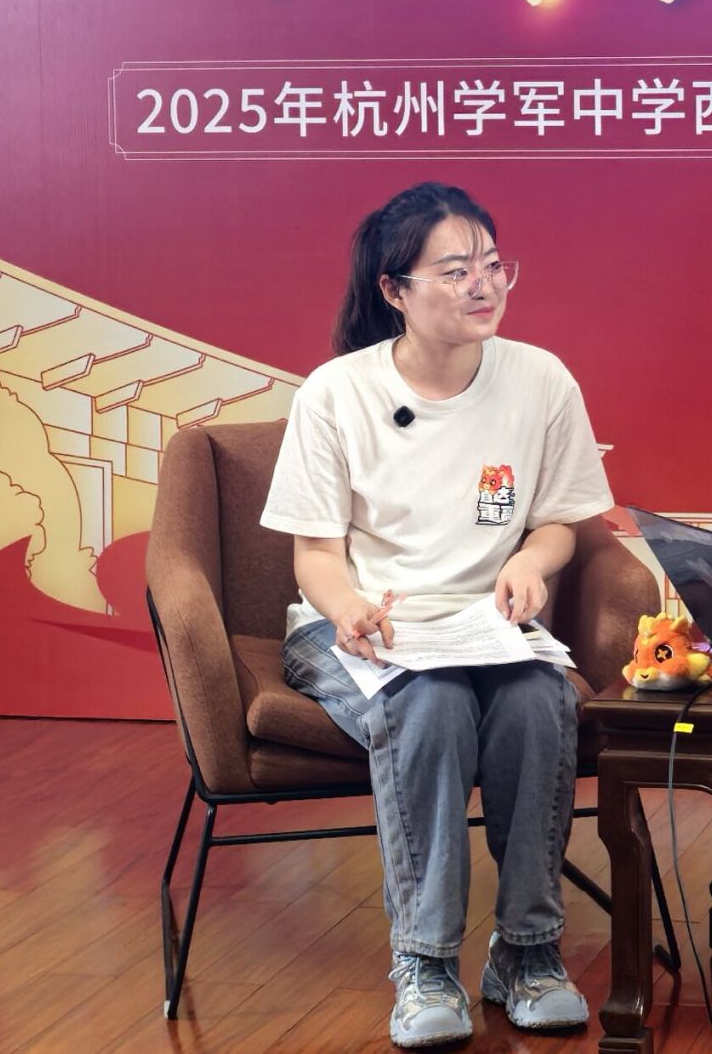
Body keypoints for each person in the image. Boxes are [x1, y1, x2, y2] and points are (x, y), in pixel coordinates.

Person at [262, 182, 615, 1047]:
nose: (482, 286)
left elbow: (559, 523)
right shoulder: (337, 393)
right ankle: (423, 965)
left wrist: (531, 561)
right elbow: (315, 557)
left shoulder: (540, 379)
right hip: (358, 626)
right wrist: (350, 608)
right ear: (394, 289)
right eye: (455, 271)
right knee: (429, 702)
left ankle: (527, 953)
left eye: (492, 264)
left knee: (539, 699)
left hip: (481, 626)